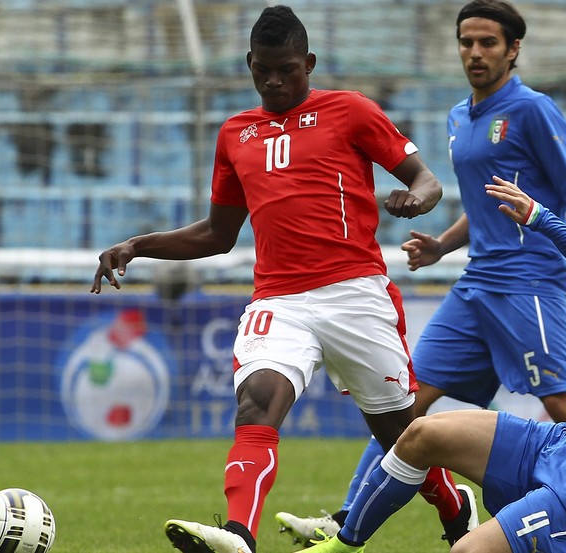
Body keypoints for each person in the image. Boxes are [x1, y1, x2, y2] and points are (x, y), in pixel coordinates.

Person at [90, 5, 474, 553]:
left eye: (286, 69)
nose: (273, 80)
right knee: (256, 401)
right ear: (249, 63)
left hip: (355, 293)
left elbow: (427, 179)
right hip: (280, 299)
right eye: (263, 69)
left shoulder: (350, 111)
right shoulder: (235, 134)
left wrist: (417, 199)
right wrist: (139, 245)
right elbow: (219, 234)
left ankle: (455, 505)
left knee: (400, 436)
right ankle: (239, 535)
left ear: (309, 63)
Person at [275, 0, 566, 545]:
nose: (474, 53)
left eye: (488, 43)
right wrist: (443, 245)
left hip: (528, 280)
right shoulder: (460, 116)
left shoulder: (533, 110)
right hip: (477, 283)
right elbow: (486, 202)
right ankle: (345, 520)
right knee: (404, 405)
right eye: (466, 42)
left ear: (513, 49)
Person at [298, 178, 566, 553]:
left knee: (468, 552)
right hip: (561, 443)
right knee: (420, 434)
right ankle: (343, 545)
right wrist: (538, 217)